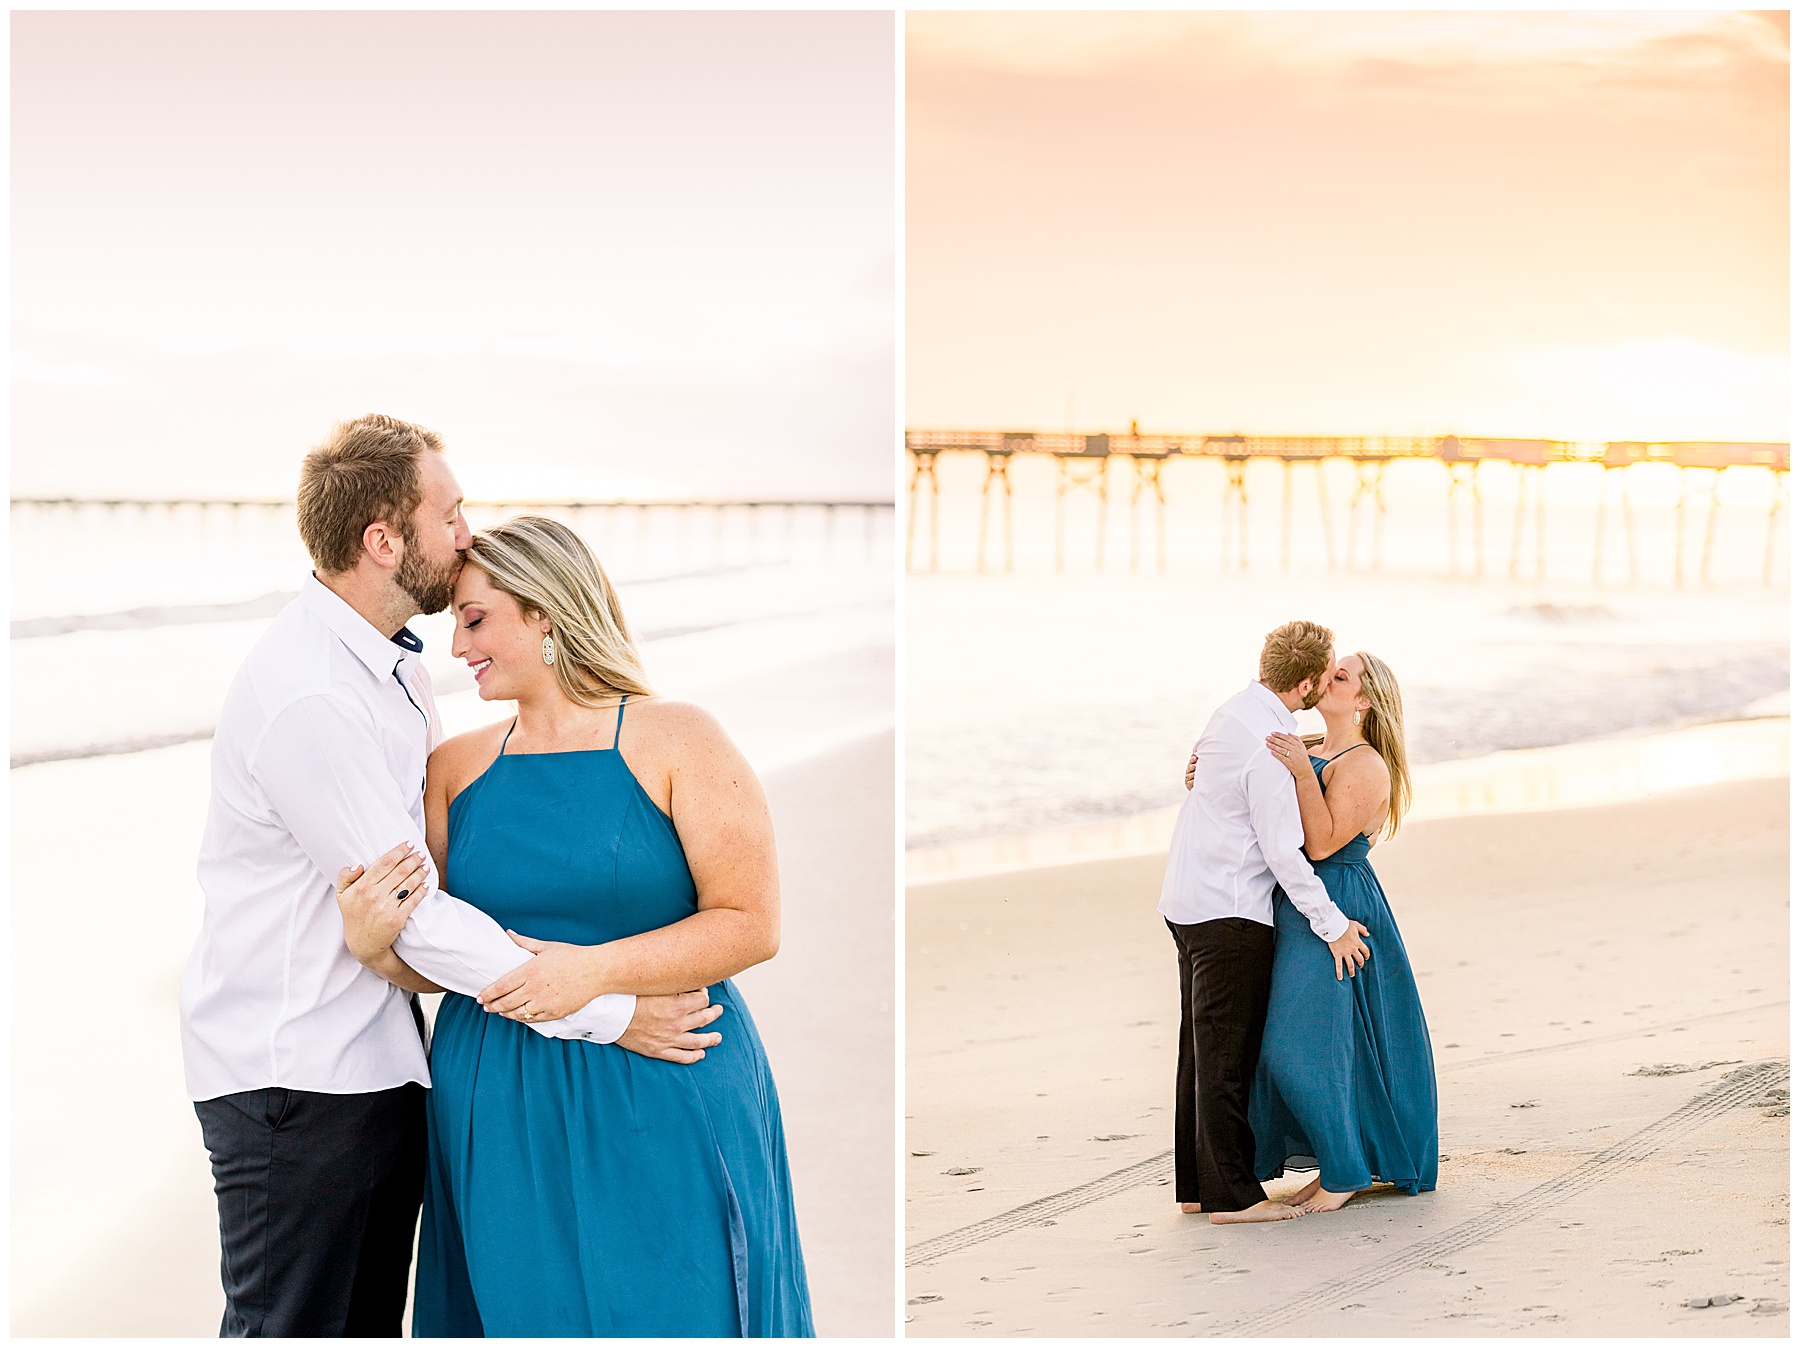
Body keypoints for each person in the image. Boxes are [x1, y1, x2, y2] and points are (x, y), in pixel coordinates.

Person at [179, 415, 720, 1338]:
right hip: (297, 1082)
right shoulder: (316, 694)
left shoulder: (392, 674)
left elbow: (420, 898)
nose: (466, 532)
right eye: (451, 513)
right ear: (383, 541)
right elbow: (420, 915)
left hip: (380, 1065)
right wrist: (613, 1012)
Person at [335, 514, 813, 1337]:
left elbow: (751, 922)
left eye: (475, 619)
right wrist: (375, 945)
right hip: (497, 1092)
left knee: (679, 1305)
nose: (456, 647)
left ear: (547, 612)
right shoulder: (453, 769)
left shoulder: (678, 737)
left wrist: (591, 975)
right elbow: (442, 955)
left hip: (663, 1072)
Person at [1159, 621, 1371, 1224]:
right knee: (1227, 1057)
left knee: (1198, 1055)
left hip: (1187, 899)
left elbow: (1214, 781)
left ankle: (1198, 1187)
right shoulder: (1271, 745)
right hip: (1230, 912)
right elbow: (1284, 853)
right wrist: (1333, 925)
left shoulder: (1234, 715)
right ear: (1305, 681)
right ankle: (1233, 1198)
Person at [1250, 651, 1438, 1212]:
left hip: (1341, 908)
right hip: (1301, 904)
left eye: (1340, 676)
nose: (1324, 680)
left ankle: (1344, 1172)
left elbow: (1325, 843)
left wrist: (1300, 771)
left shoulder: (1365, 764)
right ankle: (1340, 1164)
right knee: (1329, 1043)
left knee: (1297, 1045)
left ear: (1363, 700)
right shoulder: (1310, 745)